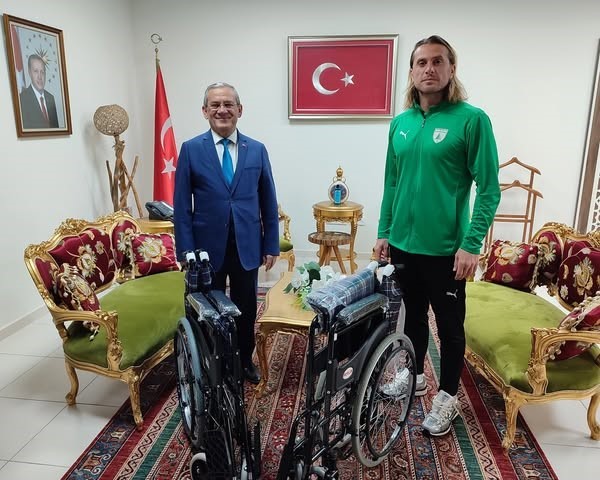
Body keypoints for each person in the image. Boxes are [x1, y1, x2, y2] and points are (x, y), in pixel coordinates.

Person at [374, 35, 500, 436]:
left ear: (451, 69)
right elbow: (392, 183)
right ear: (412, 71)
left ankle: (447, 398)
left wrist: (471, 244)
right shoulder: (401, 123)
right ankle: (414, 376)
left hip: (447, 250)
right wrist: (384, 231)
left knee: (448, 326)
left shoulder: (471, 120)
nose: (429, 69)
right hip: (403, 245)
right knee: (412, 316)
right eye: (421, 62)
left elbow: (489, 189)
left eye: (437, 61)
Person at [174, 82, 280, 384]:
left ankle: (244, 360)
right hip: (206, 250)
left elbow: (268, 199)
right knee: (209, 309)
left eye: (228, 104)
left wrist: (271, 243)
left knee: (246, 307)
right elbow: (181, 206)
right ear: (205, 111)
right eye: (215, 105)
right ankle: (212, 363)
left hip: (247, 245)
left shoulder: (256, 149)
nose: (222, 110)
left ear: (239, 110)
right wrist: (185, 250)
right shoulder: (191, 150)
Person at [19, 54, 59, 129]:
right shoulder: (22, 99)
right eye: (36, 71)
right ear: (29, 73)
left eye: (42, 72)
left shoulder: (51, 98)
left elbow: (56, 129)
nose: (40, 77)